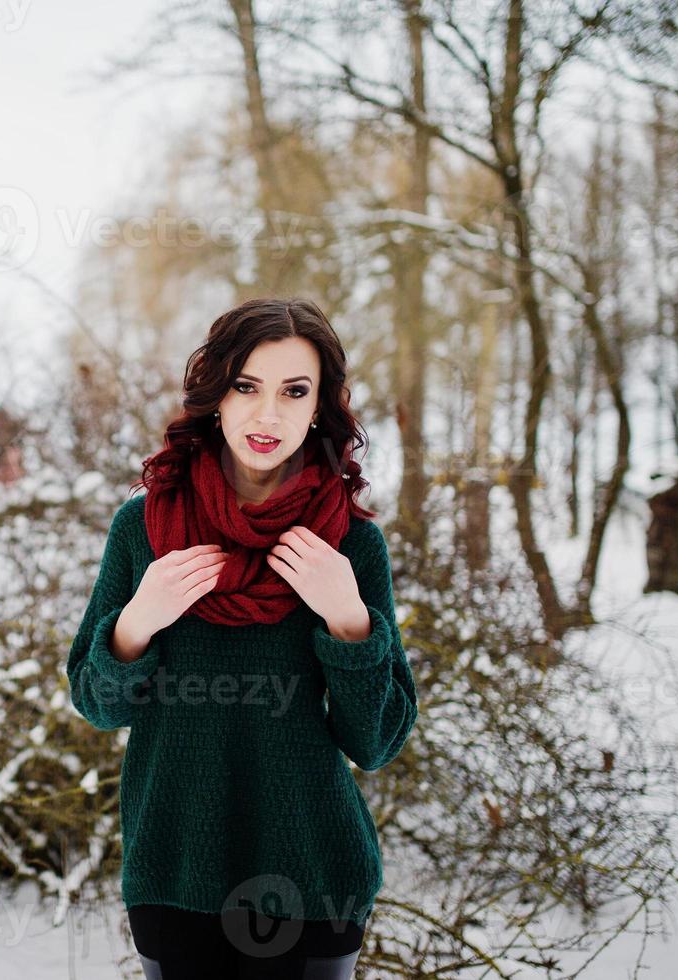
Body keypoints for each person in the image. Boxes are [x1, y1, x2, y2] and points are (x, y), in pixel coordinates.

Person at [65, 297, 419, 979]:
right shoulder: (142, 528)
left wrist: (349, 621)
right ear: (214, 394)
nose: (267, 415)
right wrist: (140, 618)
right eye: (246, 386)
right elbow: (97, 703)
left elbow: (376, 743)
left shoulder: (350, 544)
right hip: (173, 870)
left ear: (320, 407)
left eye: (294, 391)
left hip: (317, 879)